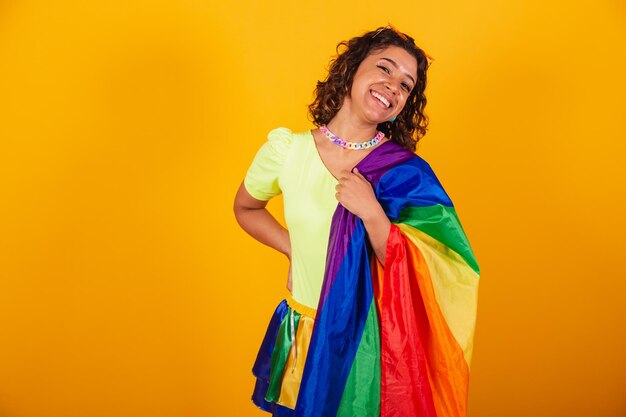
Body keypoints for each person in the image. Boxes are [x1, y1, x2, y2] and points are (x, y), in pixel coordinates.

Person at [233, 24, 480, 417]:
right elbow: (245, 208)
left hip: (367, 344)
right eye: (385, 68)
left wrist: (371, 211)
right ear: (351, 68)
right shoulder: (287, 151)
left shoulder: (404, 173)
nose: (393, 86)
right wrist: (292, 247)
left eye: (405, 85)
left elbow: (434, 268)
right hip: (305, 330)